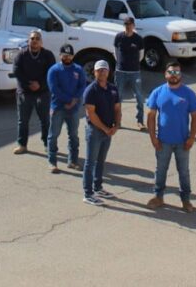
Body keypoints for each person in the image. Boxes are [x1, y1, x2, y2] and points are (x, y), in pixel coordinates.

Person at [146, 61, 196, 212]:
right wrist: (153, 138)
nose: (174, 75)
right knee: (160, 170)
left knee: (184, 171)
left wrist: (191, 137)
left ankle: (186, 200)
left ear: (180, 75)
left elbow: (195, 117)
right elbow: (151, 116)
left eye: (177, 72)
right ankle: (158, 196)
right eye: (171, 72)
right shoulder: (158, 92)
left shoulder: (188, 93)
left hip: (183, 142)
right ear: (165, 74)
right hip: (163, 141)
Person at [82, 59, 121, 206]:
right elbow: (91, 114)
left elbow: (117, 108)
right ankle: (88, 193)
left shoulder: (113, 88)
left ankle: (98, 187)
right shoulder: (90, 90)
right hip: (95, 131)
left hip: (108, 130)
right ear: (95, 72)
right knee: (90, 162)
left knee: (101, 161)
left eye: (105, 69)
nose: (102, 72)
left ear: (108, 72)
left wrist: (116, 125)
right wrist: (105, 128)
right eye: (99, 70)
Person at [13, 30, 54, 155]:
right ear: (28, 41)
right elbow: (17, 71)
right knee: (23, 120)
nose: (34, 41)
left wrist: (40, 84)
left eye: (37, 38)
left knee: (45, 120)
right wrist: (29, 84)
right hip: (25, 92)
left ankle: (47, 144)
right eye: (32, 38)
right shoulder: (21, 55)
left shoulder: (48, 55)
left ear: (41, 42)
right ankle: (22, 144)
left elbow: (51, 73)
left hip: (43, 92)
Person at [46, 44, 85, 173]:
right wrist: (68, 100)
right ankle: (52, 162)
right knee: (54, 135)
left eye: (69, 55)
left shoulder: (78, 70)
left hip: (73, 108)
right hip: (58, 107)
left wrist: (74, 100)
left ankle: (73, 161)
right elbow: (54, 89)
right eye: (65, 55)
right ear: (60, 55)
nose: (67, 57)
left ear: (73, 56)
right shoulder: (54, 70)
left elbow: (82, 86)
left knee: (73, 135)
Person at [114, 16, 146, 130]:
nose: (128, 26)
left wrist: (134, 64)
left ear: (134, 25)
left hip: (134, 72)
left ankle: (140, 121)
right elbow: (116, 52)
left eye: (130, 24)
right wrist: (120, 63)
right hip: (120, 71)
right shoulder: (119, 37)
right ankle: (117, 121)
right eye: (126, 24)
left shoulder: (138, 39)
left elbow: (141, 55)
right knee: (118, 97)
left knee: (139, 96)